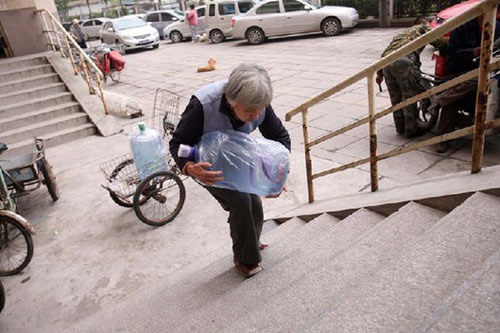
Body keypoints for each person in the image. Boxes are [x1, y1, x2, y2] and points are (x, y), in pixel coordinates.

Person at [169, 64, 291, 278]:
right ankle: (245, 258)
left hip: (238, 156)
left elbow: (280, 139)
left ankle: (250, 243)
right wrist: (190, 168)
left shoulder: (259, 101)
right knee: (241, 202)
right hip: (206, 163)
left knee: (255, 202)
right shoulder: (203, 105)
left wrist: (276, 177)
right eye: (249, 111)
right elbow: (178, 143)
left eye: (259, 109)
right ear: (231, 101)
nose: (255, 115)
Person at [431, 14, 500, 153]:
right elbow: (453, 53)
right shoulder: (463, 27)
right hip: (460, 70)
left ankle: (441, 99)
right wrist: (473, 52)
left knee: (482, 80)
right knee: (455, 94)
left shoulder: (497, 26)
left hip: (488, 71)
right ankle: (443, 138)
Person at [376, 18, 446, 138]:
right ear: (423, 23)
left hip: (387, 63)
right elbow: (437, 40)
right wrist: (446, 46)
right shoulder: (423, 27)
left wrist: (380, 74)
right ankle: (411, 130)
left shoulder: (402, 33)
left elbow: (385, 52)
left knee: (395, 98)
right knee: (409, 97)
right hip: (404, 61)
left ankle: (400, 127)